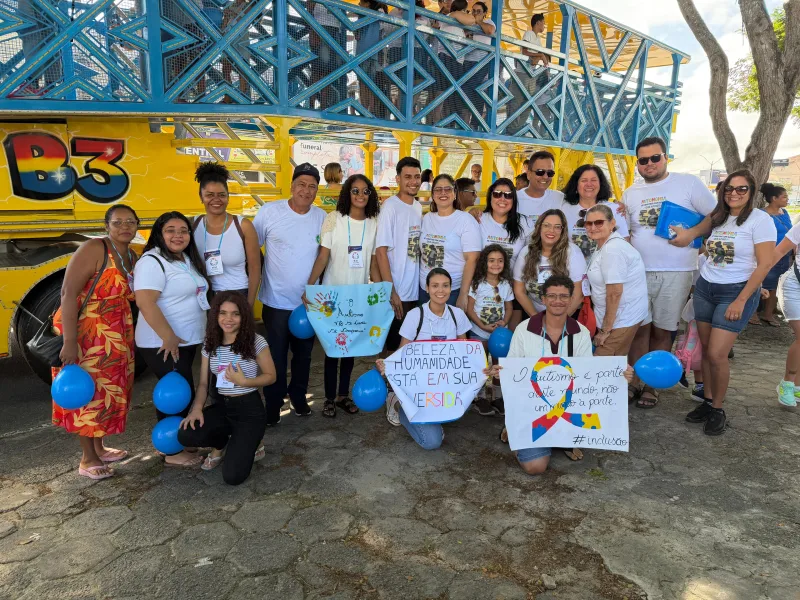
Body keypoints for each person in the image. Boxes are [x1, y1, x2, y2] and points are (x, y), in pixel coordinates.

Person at [487, 275, 635, 474]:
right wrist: (500, 372)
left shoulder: (580, 332)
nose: (558, 301)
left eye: (564, 296)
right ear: (544, 299)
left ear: (572, 299)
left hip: (567, 405)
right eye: (552, 296)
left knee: (570, 431)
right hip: (531, 410)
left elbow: (588, 374)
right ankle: (515, 431)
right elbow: (514, 372)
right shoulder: (524, 329)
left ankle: (560, 437)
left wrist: (618, 376)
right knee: (535, 468)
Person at [670, 170, 776, 434]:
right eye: (729, 189)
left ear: (751, 193)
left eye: (741, 189)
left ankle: (718, 408)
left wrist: (741, 300)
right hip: (706, 288)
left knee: (718, 354)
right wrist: (677, 233)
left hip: (737, 291)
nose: (734, 194)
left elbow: (765, 265)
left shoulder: (759, 220)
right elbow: (691, 234)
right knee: (706, 350)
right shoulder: (718, 217)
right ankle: (706, 401)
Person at [623, 136, 717, 408]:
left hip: (676, 271)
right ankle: (636, 381)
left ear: (665, 157)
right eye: (643, 160)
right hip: (637, 272)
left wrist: (692, 234)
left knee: (663, 330)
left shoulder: (687, 183)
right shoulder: (630, 193)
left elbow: (716, 214)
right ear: (638, 163)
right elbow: (626, 230)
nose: (650, 164)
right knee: (639, 330)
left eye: (655, 158)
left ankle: (654, 386)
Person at [52, 205, 139, 480]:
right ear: (107, 226)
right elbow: (68, 293)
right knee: (87, 394)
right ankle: (87, 458)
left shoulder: (132, 255)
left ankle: (99, 448)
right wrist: (70, 341)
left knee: (106, 393)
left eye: (130, 222)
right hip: (88, 334)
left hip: (116, 333)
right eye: (118, 222)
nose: (124, 227)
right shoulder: (94, 249)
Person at [134, 211, 210, 468]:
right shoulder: (151, 261)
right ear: (159, 233)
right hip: (163, 343)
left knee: (181, 393)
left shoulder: (184, 258)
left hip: (185, 340)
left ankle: (178, 440)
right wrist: (168, 336)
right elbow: (145, 301)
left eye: (183, 230)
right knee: (174, 395)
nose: (178, 235)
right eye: (171, 230)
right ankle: (171, 452)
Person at [252, 163, 326, 424]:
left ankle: (298, 397)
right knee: (276, 356)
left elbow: (325, 257)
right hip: (276, 302)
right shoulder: (270, 212)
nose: (306, 190)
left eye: (312, 187)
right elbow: (252, 248)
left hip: (308, 304)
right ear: (292, 186)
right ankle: (273, 404)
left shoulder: (322, 218)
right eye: (302, 185)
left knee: (304, 356)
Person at [179, 292, 277, 485]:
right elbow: (204, 384)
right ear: (215, 315)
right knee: (186, 434)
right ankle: (222, 442)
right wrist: (197, 408)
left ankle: (253, 441)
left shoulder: (256, 341)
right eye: (223, 313)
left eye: (235, 314)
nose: (228, 319)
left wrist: (246, 382)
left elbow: (271, 376)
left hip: (250, 410)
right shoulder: (210, 343)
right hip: (224, 407)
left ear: (244, 317)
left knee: (233, 477)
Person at [305, 174, 381, 418]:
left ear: (371, 196)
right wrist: (310, 285)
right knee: (331, 350)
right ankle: (328, 398)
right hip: (332, 297)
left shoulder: (374, 223)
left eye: (365, 191)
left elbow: (372, 261)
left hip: (357, 296)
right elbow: (323, 256)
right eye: (355, 190)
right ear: (347, 193)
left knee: (350, 350)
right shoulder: (333, 219)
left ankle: (342, 396)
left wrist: (381, 290)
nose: (360, 195)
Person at [377, 268, 472, 444]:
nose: (440, 290)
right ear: (427, 288)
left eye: (445, 286)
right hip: (419, 387)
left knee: (462, 409)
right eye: (435, 286)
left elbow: (465, 352)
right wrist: (388, 365)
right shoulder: (415, 316)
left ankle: (433, 417)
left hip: (445, 383)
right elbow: (402, 351)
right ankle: (399, 405)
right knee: (432, 442)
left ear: (451, 288)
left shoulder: (457, 315)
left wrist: (482, 370)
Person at [584, 204, 648, 360]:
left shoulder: (612, 249)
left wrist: (605, 331)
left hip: (622, 318)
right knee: (613, 364)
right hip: (615, 317)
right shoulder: (604, 246)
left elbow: (614, 293)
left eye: (599, 222)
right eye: (588, 223)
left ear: (612, 223)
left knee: (602, 364)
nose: (593, 227)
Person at [191, 163, 261, 307]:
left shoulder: (243, 226)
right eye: (209, 195)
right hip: (204, 295)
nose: (216, 200)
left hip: (238, 294)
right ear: (201, 197)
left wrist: (249, 304)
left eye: (222, 195)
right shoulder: (193, 225)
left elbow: (255, 268)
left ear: (228, 197)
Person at [376, 156, 424, 363]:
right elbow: (381, 251)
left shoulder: (418, 207)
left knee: (408, 345)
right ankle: (386, 391)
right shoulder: (390, 207)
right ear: (397, 179)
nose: (413, 181)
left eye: (417, 177)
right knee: (391, 348)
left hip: (414, 289)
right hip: (398, 290)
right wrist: (391, 290)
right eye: (407, 177)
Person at [419, 173, 482, 310]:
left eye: (447, 189)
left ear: (454, 193)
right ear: (433, 194)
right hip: (425, 290)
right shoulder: (427, 218)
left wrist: (463, 294)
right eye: (438, 189)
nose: (443, 193)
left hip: (452, 291)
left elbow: (472, 259)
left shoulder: (465, 220)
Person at [466, 244, 514, 415]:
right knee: (480, 364)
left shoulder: (506, 285)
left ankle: (497, 397)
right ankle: (479, 397)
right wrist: (482, 326)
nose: (496, 264)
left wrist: (504, 322)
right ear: (484, 263)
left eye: (500, 261)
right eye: (491, 260)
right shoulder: (477, 284)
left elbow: (508, 308)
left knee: (499, 366)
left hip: (499, 335)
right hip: (479, 331)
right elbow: (470, 309)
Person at [478, 178, 531, 329]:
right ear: (490, 196)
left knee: (510, 338)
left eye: (508, 195)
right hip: (484, 289)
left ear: (513, 199)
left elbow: (531, 256)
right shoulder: (479, 219)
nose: (502, 199)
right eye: (497, 194)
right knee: (481, 335)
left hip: (514, 289)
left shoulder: (524, 223)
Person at [513, 209, 585, 319]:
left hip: (567, 315)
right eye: (546, 225)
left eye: (557, 227)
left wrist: (557, 321)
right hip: (533, 313)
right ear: (539, 227)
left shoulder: (573, 253)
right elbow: (519, 291)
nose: (551, 230)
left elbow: (578, 295)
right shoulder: (526, 252)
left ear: (563, 230)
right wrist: (536, 318)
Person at [558, 164, 629, 259]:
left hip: (604, 268)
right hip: (572, 268)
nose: (589, 184)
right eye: (584, 180)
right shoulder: (563, 208)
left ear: (600, 184)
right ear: (576, 184)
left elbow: (625, 242)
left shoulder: (614, 209)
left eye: (594, 180)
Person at [770, 219, 800, 406]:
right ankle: (787, 383)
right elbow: (778, 252)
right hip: (794, 286)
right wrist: (755, 278)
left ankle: (797, 386)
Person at [755, 183, 791, 326]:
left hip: (785, 256)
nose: (787, 199)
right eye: (784, 197)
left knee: (776, 286)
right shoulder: (762, 215)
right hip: (768, 255)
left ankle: (768, 314)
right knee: (761, 284)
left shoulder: (785, 213)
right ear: (774, 198)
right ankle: (752, 314)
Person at [463, 4, 495, 129]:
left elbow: (490, 31)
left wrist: (479, 22)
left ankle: (474, 123)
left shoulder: (488, 22)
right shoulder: (469, 22)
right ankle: (467, 122)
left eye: (479, 11)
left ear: (485, 12)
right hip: (467, 60)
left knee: (474, 89)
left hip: (481, 62)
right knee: (468, 90)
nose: (475, 13)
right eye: (474, 11)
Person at [516, 150, 564, 224]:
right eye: (540, 172)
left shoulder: (559, 198)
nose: (545, 176)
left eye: (550, 173)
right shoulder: (513, 199)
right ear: (529, 174)